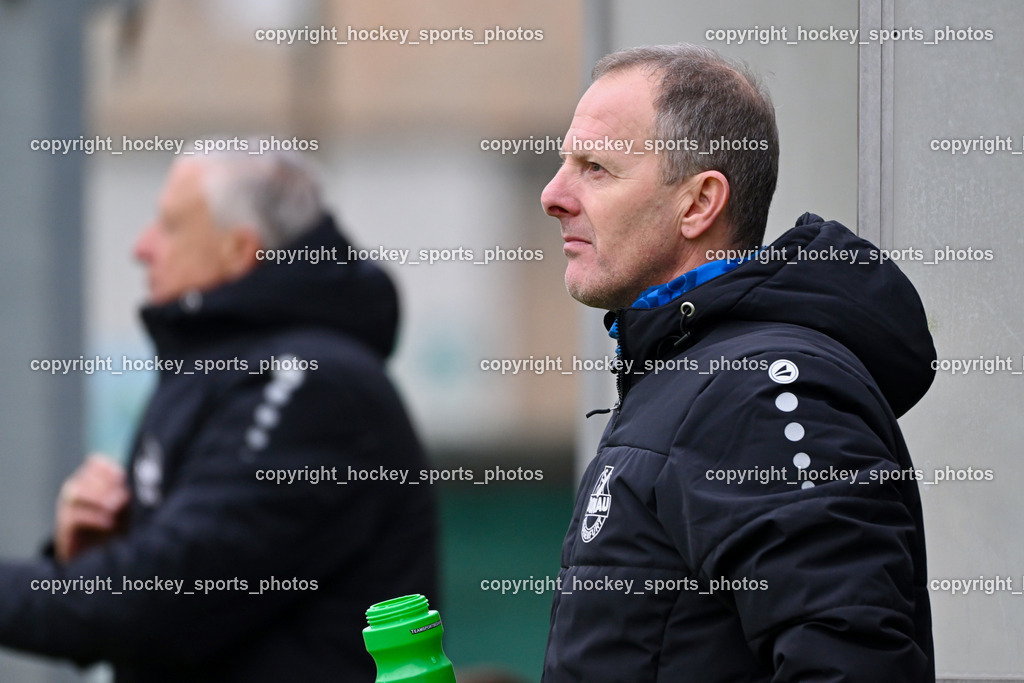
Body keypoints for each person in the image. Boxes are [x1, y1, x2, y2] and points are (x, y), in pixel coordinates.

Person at [540, 44, 935, 682]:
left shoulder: (761, 388)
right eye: (563, 162)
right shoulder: (686, 378)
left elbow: (850, 664)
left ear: (698, 204)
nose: (553, 195)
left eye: (595, 167)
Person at [0, 148, 438, 681]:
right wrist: (97, 561)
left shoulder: (310, 386)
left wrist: (109, 582)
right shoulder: (225, 373)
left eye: (170, 225)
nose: (142, 248)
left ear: (239, 249)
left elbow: (161, 598)